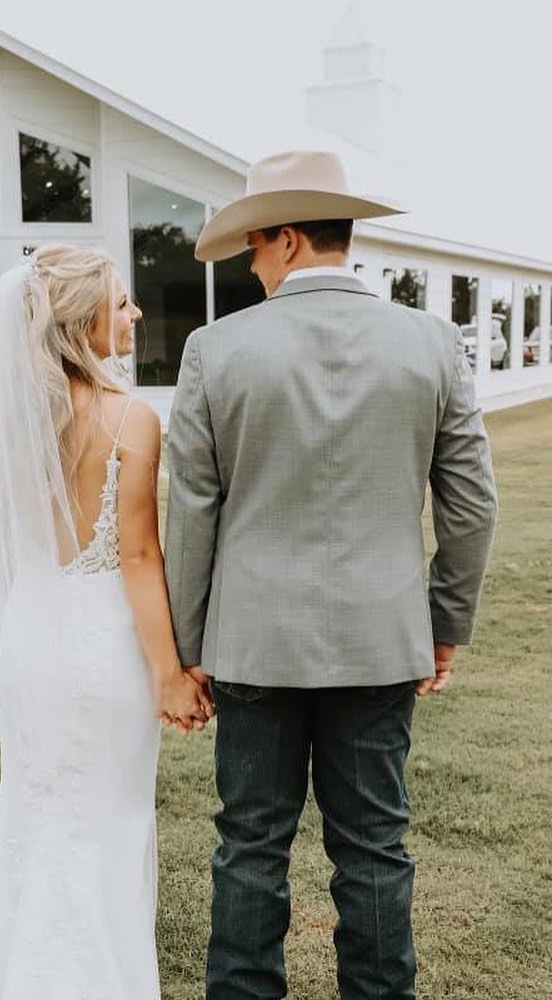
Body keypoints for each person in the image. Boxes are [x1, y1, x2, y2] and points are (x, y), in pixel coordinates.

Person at [164, 151, 498, 1000]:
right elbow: (470, 505)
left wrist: (189, 646)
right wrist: (445, 624)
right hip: (383, 641)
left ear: (284, 239)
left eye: (252, 244)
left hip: (251, 644)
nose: (248, 260)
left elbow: (193, 510)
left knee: (249, 847)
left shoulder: (215, 350)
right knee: (375, 846)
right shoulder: (431, 341)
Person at [0, 244, 212, 1000]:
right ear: (84, 320)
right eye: (120, 302)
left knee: (32, 813)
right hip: (101, 650)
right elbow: (139, 556)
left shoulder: (15, 419)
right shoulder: (132, 418)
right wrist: (169, 675)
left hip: (31, 641)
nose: (134, 313)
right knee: (105, 828)